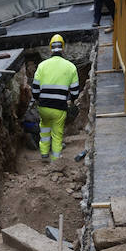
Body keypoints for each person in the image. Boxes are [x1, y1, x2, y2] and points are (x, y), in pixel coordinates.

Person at [31, 34, 80, 162]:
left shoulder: (42, 65)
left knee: (45, 130)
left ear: (50, 48)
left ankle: (44, 154)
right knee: (57, 134)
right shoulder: (71, 67)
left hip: (44, 107)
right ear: (63, 48)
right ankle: (56, 160)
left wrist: (37, 99)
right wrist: (72, 101)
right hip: (59, 108)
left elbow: (35, 89)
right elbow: (75, 92)